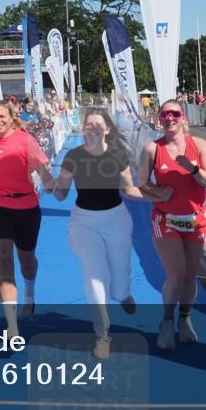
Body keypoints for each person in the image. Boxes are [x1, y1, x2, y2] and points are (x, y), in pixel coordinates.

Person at [52, 109, 149, 359]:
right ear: (84, 129)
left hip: (116, 219)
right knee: (94, 276)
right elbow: (61, 193)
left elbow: (128, 190)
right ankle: (102, 333)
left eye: (98, 124)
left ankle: (123, 293)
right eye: (89, 124)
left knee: (119, 277)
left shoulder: (118, 154)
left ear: (106, 129)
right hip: (84, 222)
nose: (93, 127)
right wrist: (49, 182)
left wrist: (157, 196)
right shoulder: (73, 156)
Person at [0, 100, 57, 338]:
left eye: (1, 116)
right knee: (4, 262)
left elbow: (43, 172)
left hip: (26, 207)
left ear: (11, 116)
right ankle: (12, 327)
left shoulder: (25, 140)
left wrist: (52, 185)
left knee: (27, 262)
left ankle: (29, 291)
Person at [137, 100, 206, 351]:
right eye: (165, 114)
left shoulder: (199, 145)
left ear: (183, 117)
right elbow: (142, 184)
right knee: (177, 274)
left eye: (175, 114)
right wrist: (158, 191)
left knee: (191, 276)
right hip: (166, 220)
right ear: (159, 119)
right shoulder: (152, 148)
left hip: (196, 220)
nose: (169, 118)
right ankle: (166, 321)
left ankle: (184, 319)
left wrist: (192, 169)